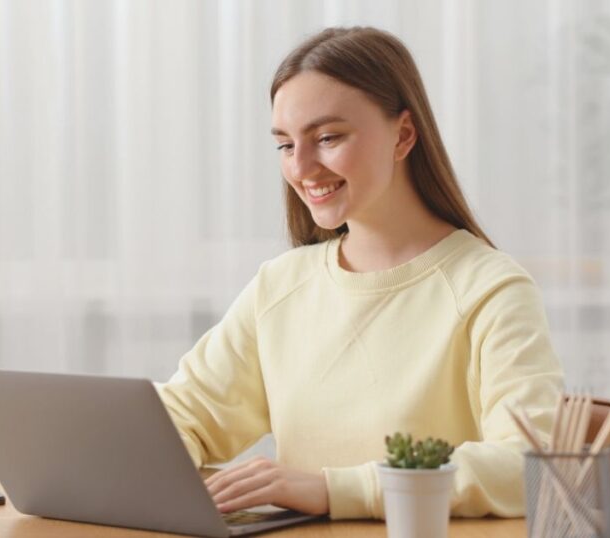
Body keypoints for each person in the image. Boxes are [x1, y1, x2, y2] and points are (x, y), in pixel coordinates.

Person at [156, 26, 563, 520]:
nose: (302, 167)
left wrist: (332, 490)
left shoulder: (491, 289)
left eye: (327, 138)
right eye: (285, 145)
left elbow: (529, 463)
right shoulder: (281, 286)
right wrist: (135, 458)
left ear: (403, 135)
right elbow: (183, 414)